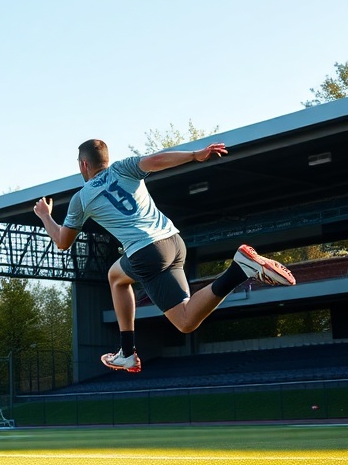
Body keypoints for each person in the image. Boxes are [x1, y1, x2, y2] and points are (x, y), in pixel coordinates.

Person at [34, 139, 296, 373]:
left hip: (146, 253)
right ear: (106, 160)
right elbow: (158, 160)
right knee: (134, 287)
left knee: (172, 315)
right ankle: (126, 352)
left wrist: (45, 215)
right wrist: (195, 154)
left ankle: (239, 270)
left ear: (83, 165)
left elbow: (62, 241)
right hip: (173, 242)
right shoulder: (123, 167)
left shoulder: (81, 198)